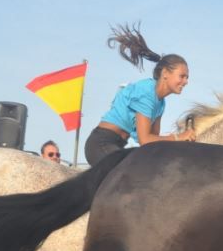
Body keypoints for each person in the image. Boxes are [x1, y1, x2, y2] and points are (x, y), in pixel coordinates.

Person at [84, 23, 196, 166]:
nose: (186, 81)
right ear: (166, 73)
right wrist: (178, 137)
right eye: (182, 76)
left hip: (118, 145)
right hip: (101, 143)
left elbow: (153, 142)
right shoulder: (147, 92)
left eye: (187, 77)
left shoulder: (161, 103)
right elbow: (145, 139)